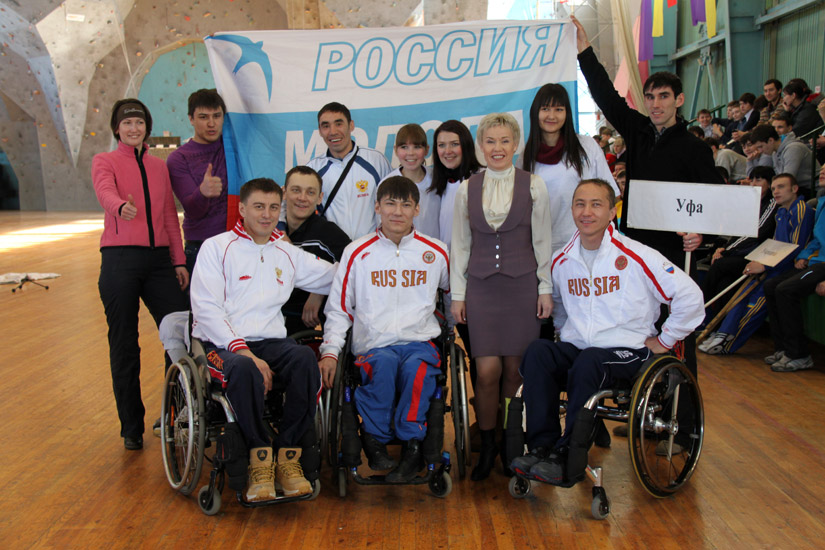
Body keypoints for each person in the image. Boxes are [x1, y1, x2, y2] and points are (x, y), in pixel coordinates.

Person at [511, 179, 703, 484]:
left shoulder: (637, 255)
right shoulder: (562, 260)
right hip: (582, 350)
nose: (586, 212)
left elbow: (690, 296)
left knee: (590, 361)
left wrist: (665, 339)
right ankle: (541, 447)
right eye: (580, 204)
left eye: (596, 204)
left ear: (612, 212)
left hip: (628, 351)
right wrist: (564, 334)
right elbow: (560, 309)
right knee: (538, 352)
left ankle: (568, 455)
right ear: (572, 210)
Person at [571, 14, 722, 394]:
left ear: (679, 100)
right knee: (640, 328)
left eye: (664, 97)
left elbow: (716, 201)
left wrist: (702, 235)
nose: (655, 104)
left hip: (674, 251)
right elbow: (605, 96)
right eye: (651, 97)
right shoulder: (637, 131)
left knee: (677, 332)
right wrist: (584, 51)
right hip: (635, 248)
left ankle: (682, 411)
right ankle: (644, 400)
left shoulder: (695, 149)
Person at [191, 177, 337, 501]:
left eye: (273, 207)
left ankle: (288, 456)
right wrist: (244, 352)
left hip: (270, 342)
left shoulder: (286, 252)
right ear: (242, 209)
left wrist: (369, 260)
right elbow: (207, 310)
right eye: (259, 206)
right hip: (220, 345)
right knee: (245, 369)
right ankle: (259, 458)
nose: (267, 214)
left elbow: (336, 276)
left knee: (304, 360)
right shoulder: (217, 248)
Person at [318, 176, 450, 483]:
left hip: (420, 342)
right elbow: (339, 308)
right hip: (374, 344)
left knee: (417, 370)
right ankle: (375, 441)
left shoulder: (436, 252)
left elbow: (451, 298)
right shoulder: (356, 252)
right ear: (377, 207)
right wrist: (331, 351)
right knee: (385, 365)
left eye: (406, 205)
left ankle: (412, 446)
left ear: (417, 209)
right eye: (390, 203)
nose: (397, 212)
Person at [451, 112, 553, 481]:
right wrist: (458, 295)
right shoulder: (467, 189)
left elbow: (542, 241)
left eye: (504, 141)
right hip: (481, 288)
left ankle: (512, 445)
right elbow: (460, 245)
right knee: (486, 371)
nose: (498, 148)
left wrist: (545, 288)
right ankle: (489, 444)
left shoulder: (534, 185)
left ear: (516, 144)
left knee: (514, 370)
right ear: (481, 145)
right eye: (491, 141)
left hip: (522, 287)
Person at [93, 98, 189, 451]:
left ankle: (175, 412)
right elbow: (105, 191)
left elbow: (169, 217)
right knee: (124, 343)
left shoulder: (158, 167)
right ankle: (131, 426)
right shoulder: (104, 161)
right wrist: (120, 206)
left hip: (159, 261)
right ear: (117, 128)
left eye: (139, 122)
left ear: (147, 127)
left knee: (179, 332)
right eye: (127, 123)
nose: (134, 128)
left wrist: (178, 261)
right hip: (119, 259)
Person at [700, 173, 814, 355]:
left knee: (757, 300)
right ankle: (723, 332)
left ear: (794, 189)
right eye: (774, 188)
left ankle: (728, 343)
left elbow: (794, 247)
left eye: (781, 187)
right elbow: (774, 244)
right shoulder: (781, 213)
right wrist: (758, 260)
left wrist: (764, 266)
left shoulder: (801, 210)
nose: (776, 191)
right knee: (742, 293)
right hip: (774, 263)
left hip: (786, 267)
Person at [521, 83, 618, 254]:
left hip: (588, 243)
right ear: (536, 112)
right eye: (545, 109)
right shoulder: (526, 157)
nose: (552, 116)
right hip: (544, 248)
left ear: (567, 113)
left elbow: (610, 195)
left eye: (559, 109)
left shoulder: (587, 146)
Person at [277, 166, 351, 334]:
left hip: (303, 326)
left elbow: (356, 268)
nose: (302, 198)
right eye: (296, 190)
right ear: (284, 193)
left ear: (319, 198)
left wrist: (319, 293)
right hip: (268, 320)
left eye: (310, 192)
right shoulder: (269, 228)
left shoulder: (328, 232)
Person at [307, 102, 391, 240]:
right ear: (320, 131)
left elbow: (394, 202)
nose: (333, 131)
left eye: (338, 124)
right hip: (333, 250)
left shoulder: (376, 161)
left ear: (351, 125)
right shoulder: (313, 169)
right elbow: (292, 204)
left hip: (373, 248)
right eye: (326, 126)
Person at [167, 89, 229, 275]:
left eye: (217, 116)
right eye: (203, 117)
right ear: (191, 119)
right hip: (201, 246)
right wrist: (202, 193)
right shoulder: (178, 158)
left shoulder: (232, 147)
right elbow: (192, 209)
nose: (211, 123)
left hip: (237, 243)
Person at [700, 166, 777, 316]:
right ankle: (718, 324)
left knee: (719, 265)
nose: (754, 184)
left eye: (758, 180)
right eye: (752, 180)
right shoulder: (753, 203)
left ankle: (697, 309)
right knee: (725, 283)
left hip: (756, 256)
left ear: (769, 183)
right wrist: (723, 247)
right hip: (741, 252)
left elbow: (756, 233)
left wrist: (727, 251)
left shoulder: (771, 204)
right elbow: (739, 232)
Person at [765, 182, 825, 372]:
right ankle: (783, 348)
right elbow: (817, 240)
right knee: (771, 285)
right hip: (815, 261)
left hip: (823, 265)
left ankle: (799, 354)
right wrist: (804, 255)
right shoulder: (822, 202)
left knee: (786, 290)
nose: (822, 171)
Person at [380, 123, 440, 238]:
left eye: (417, 147)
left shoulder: (438, 179)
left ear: (426, 150)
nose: (410, 153)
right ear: (395, 150)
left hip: (434, 247)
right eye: (404, 147)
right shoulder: (387, 184)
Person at [750, 124, 820, 199]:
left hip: (812, 189)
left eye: (761, 147)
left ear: (771, 140)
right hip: (798, 188)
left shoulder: (793, 148)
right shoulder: (774, 153)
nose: (760, 151)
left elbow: (787, 179)